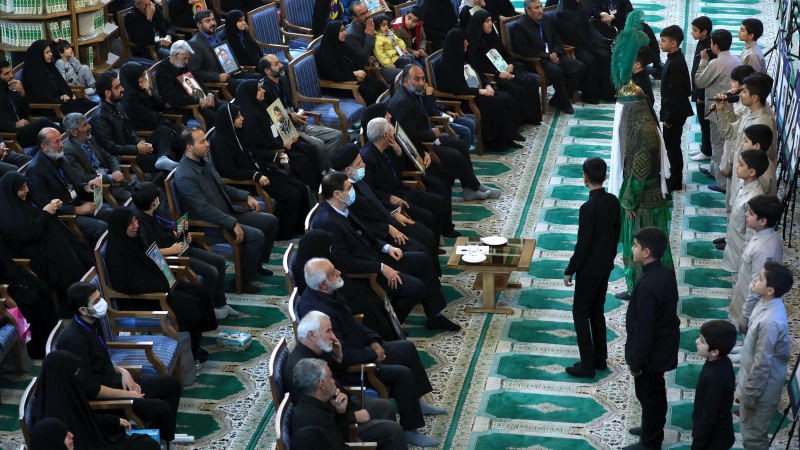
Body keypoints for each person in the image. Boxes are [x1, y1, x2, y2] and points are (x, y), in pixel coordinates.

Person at [300, 259, 445, 447]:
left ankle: (416, 403)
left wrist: (374, 341)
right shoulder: (319, 312)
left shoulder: (331, 293)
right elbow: (342, 356)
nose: (339, 272)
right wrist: (372, 354)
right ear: (322, 284)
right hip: (353, 368)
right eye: (333, 272)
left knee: (406, 348)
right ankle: (410, 428)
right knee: (403, 374)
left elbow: (355, 325)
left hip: (363, 348)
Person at [312, 171, 460, 331]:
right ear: (337, 194)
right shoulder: (329, 222)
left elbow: (365, 233)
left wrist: (387, 247)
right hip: (366, 271)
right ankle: (388, 328)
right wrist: (382, 268)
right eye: (349, 188)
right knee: (415, 288)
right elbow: (345, 262)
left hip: (374, 255)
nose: (353, 190)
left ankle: (435, 316)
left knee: (422, 259)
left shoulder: (343, 208)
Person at [58, 282, 182, 444]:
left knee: (172, 385)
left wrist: (123, 372)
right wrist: (128, 395)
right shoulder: (76, 341)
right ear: (83, 310)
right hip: (106, 401)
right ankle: (156, 442)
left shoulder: (92, 323)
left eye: (100, 297)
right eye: (96, 301)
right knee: (162, 409)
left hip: (113, 382)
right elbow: (90, 388)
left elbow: (100, 358)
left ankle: (163, 439)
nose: (102, 303)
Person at [608, 13, 673, 300]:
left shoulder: (643, 130)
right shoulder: (638, 121)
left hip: (644, 201)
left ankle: (644, 290)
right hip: (641, 196)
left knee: (644, 248)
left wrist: (628, 200)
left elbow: (640, 168)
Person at [174, 126, 279, 294]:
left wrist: (246, 196)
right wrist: (232, 223)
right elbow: (203, 209)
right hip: (211, 226)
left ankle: (255, 264)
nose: (207, 144)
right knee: (256, 236)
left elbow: (224, 187)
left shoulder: (204, 162)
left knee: (270, 221)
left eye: (206, 140)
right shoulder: (184, 175)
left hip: (228, 213)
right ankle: (241, 282)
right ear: (189, 147)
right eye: (202, 142)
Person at [105, 207, 217, 361]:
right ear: (121, 226)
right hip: (143, 298)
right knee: (187, 303)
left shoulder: (135, 238)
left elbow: (150, 259)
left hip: (158, 283)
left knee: (199, 292)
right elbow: (127, 285)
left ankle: (197, 339)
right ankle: (191, 351)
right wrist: (160, 285)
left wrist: (164, 279)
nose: (136, 225)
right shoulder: (117, 252)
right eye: (131, 223)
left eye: (135, 220)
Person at [285, 312, 408, 450]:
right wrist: (350, 416)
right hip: (338, 423)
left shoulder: (318, 350)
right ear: (312, 335)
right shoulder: (298, 368)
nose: (333, 336)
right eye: (328, 331)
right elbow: (316, 407)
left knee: (385, 407)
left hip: (340, 406)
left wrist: (338, 357)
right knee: (393, 430)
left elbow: (335, 379)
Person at [131, 181, 240, 319]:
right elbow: (146, 252)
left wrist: (181, 234)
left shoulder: (153, 212)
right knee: (211, 272)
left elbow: (165, 229)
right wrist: (171, 250)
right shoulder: (139, 223)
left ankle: (221, 303)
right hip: (171, 258)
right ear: (154, 201)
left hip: (180, 248)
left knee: (219, 261)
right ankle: (209, 308)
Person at [390, 64, 499, 202]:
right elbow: (411, 136)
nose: (421, 83)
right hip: (419, 147)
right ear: (406, 80)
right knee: (454, 155)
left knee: (460, 145)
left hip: (427, 135)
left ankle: (471, 188)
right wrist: (432, 134)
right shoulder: (402, 102)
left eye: (423, 79)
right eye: (417, 79)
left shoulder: (412, 93)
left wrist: (432, 129)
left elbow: (424, 116)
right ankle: (475, 187)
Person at [330, 144, 440, 272]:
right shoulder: (347, 195)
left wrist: (394, 212)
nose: (364, 165)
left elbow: (376, 200)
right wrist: (388, 228)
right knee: (420, 248)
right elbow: (360, 224)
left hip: (386, 221)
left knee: (423, 231)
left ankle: (434, 274)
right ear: (348, 170)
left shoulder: (357, 180)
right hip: (379, 234)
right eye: (359, 163)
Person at [211, 102, 309, 240]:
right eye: (238, 116)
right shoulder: (220, 142)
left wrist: (274, 156)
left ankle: (301, 227)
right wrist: (255, 175)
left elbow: (254, 153)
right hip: (248, 181)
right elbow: (229, 171)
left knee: (301, 187)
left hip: (261, 171)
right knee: (292, 195)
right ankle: (284, 235)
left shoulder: (239, 132)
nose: (242, 118)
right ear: (229, 120)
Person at [29, 351, 161, 450]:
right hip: (91, 445)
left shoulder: (65, 394)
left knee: (145, 442)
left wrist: (114, 421)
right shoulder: (50, 413)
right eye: (74, 373)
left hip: (94, 438)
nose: (78, 377)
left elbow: (84, 417)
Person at [563, 157, 620, 378]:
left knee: (580, 313)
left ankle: (587, 365)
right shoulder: (613, 201)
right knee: (597, 311)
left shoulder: (588, 208)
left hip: (589, 270)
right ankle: (600, 358)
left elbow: (583, 244)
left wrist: (570, 269)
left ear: (585, 178)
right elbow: (616, 233)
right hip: (605, 266)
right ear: (605, 176)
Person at [623, 227, 679, 450]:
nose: (632, 249)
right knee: (654, 392)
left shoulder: (648, 286)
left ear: (646, 252)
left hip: (652, 352)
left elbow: (644, 328)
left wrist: (636, 362)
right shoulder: (664, 272)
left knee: (649, 396)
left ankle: (651, 441)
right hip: (663, 344)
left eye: (635, 245)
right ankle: (651, 428)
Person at [292, 229, 403, 341]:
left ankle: (391, 335)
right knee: (369, 306)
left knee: (373, 299)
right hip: (334, 299)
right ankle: (384, 338)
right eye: (329, 248)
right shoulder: (309, 272)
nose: (330, 251)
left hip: (338, 292)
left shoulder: (319, 257)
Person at [0, 172, 93, 301]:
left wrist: (54, 205)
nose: (27, 190)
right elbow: (28, 234)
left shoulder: (25, 200)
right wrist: (45, 212)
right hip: (35, 253)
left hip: (52, 240)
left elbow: (38, 214)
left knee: (79, 251)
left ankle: (90, 289)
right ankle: (78, 299)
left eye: (26, 186)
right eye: (21, 188)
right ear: (11, 192)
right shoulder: (6, 215)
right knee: (68, 262)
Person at [360, 112, 450, 242]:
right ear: (385, 135)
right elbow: (368, 190)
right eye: (390, 128)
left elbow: (398, 172)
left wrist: (398, 151)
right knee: (428, 217)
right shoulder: (367, 158)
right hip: (390, 201)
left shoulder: (388, 146)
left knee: (439, 201)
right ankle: (432, 245)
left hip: (401, 192)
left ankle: (436, 239)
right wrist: (389, 197)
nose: (393, 130)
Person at [436, 28, 520, 151]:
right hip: (464, 100)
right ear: (456, 43)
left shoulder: (463, 57)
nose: (467, 43)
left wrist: (487, 85)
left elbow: (479, 73)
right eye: (464, 40)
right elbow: (456, 89)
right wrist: (481, 91)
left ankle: (509, 137)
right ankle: (496, 143)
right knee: (496, 103)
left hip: (476, 92)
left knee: (506, 97)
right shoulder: (445, 66)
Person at [738, 261, 792, 449]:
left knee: (754, 437)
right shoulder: (765, 303)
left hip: (762, 391)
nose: (755, 279)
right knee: (749, 429)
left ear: (770, 290)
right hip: (753, 382)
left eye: (760, 278)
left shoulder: (770, 322)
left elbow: (762, 364)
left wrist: (750, 395)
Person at [259, 54, 343, 173]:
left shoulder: (283, 79)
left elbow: (291, 103)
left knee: (337, 135)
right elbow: (271, 118)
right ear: (267, 71)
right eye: (276, 64)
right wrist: (290, 117)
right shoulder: (264, 90)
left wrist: (299, 111)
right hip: (286, 130)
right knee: (319, 145)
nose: (281, 65)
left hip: (298, 122)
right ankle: (325, 173)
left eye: (279, 62)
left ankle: (326, 166)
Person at [25, 127, 111, 244]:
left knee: (112, 215)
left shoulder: (60, 157)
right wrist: (77, 210)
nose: (62, 144)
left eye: (61, 140)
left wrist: (85, 186)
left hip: (78, 203)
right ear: (44, 147)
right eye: (57, 142)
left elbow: (72, 183)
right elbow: (45, 206)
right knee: (101, 227)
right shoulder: (35, 170)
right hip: (64, 217)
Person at [236, 80, 321, 197]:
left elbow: (273, 126)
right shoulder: (250, 118)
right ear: (251, 94)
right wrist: (281, 144)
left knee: (310, 148)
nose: (263, 90)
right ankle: (312, 193)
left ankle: (319, 187)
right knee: (303, 161)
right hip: (275, 152)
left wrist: (288, 134)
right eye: (259, 89)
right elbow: (260, 144)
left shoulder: (260, 106)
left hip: (280, 141)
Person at [91, 71, 179, 174]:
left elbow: (130, 130)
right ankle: (163, 160)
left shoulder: (118, 105)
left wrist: (139, 142)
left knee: (164, 131)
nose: (122, 89)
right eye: (117, 87)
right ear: (107, 93)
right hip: (126, 157)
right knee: (160, 161)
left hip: (135, 147)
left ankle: (163, 158)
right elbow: (111, 148)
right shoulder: (100, 118)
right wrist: (136, 149)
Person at [466, 9, 542, 125]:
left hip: (506, 69)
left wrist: (511, 64)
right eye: (486, 21)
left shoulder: (492, 36)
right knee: (515, 88)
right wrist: (498, 73)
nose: (490, 24)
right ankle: (518, 121)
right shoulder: (473, 42)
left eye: (491, 20)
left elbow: (506, 53)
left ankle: (531, 117)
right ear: (479, 24)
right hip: (493, 75)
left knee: (530, 81)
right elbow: (477, 66)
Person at [510, 0, 585, 114]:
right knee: (557, 71)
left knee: (579, 66)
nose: (541, 10)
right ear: (528, 10)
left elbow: (556, 39)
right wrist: (547, 56)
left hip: (552, 55)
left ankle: (557, 99)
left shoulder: (544, 19)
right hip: (536, 61)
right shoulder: (519, 26)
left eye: (541, 6)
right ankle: (565, 103)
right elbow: (524, 51)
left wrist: (554, 52)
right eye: (536, 8)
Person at [693, 29, 742, 193]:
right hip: (731, 108)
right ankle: (714, 170)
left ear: (715, 46)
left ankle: (721, 183)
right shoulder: (736, 59)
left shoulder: (715, 63)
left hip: (719, 109)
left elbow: (700, 81)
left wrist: (703, 61)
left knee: (718, 144)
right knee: (720, 143)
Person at [729, 195, 783, 339]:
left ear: (762, 221)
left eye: (751, 213)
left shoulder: (763, 250)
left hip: (754, 306)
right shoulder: (763, 235)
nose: (746, 214)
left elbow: (757, 287)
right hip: (745, 294)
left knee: (752, 337)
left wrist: (745, 316)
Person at [0, 239, 56, 359]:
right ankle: (39, 351)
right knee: (31, 301)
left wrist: (17, 279)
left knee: (43, 288)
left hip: (9, 273)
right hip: (3, 287)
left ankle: (53, 338)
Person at [61, 112, 134, 206]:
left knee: (143, 189)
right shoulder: (68, 151)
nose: (89, 126)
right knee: (136, 199)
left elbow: (110, 158)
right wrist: (110, 178)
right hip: (99, 189)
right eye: (85, 125)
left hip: (114, 181)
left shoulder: (90, 139)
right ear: (74, 132)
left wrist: (116, 172)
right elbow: (82, 177)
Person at [551, 0, 615, 103]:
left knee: (604, 54)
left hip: (586, 41)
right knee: (590, 60)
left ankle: (604, 91)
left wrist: (596, 41)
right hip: (573, 45)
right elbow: (566, 36)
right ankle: (588, 93)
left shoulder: (577, 7)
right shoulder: (561, 14)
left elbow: (587, 28)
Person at [721, 149, 768, 282]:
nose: (736, 166)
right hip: (734, 243)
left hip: (742, 250)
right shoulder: (744, 185)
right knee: (736, 279)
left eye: (741, 164)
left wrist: (746, 257)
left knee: (741, 282)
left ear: (751, 172)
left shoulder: (754, 198)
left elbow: (751, 234)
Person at [316, 20, 387, 106]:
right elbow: (334, 75)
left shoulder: (342, 45)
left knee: (380, 85)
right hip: (341, 87)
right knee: (370, 93)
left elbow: (356, 60)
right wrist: (354, 74)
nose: (345, 33)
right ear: (333, 33)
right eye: (341, 31)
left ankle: (386, 112)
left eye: (344, 30)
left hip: (354, 79)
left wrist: (359, 72)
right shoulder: (325, 53)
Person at [155, 40, 223, 129]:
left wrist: (209, 93)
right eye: (185, 58)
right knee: (216, 118)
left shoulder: (180, 64)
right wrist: (197, 101)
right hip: (185, 108)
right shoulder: (163, 72)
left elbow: (197, 81)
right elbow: (174, 99)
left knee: (225, 108)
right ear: (176, 55)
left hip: (196, 100)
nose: (187, 61)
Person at [658, 25, 694, 191]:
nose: (660, 43)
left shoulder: (676, 63)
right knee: (671, 145)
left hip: (675, 113)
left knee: (673, 146)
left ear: (673, 43)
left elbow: (676, 94)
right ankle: (673, 175)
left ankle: (676, 180)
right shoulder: (674, 58)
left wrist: (669, 118)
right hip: (674, 111)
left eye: (663, 40)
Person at [691, 319, 736, 450]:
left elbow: (709, 415)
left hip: (713, 438)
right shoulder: (723, 361)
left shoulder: (714, 378)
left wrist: (697, 443)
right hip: (718, 430)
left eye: (702, 341)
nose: (697, 341)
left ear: (715, 352)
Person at [22, 40, 97, 117]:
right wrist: (60, 99)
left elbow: (61, 84)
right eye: (47, 52)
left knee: (91, 104)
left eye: (50, 51)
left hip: (62, 102)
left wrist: (65, 94)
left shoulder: (48, 66)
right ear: (39, 55)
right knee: (84, 112)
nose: (51, 54)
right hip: (52, 108)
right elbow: (43, 99)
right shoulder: (33, 74)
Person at [0, 60, 60, 150]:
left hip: (24, 128)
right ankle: (69, 136)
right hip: (11, 135)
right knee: (43, 122)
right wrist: (14, 125)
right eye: (6, 74)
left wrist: (22, 93)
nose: (11, 75)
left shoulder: (9, 89)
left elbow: (26, 113)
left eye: (10, 72)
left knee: (56, 122)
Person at [118, 61, 184, 135]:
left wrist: (150, 93)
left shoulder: (143, 88)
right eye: (142, 76)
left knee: (190, 133)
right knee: (188, 136)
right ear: (132, 78)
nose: (145, 79)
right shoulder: (129, 98)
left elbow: (162, 105)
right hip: (151, 130)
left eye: (145, 75)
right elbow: (149, 117)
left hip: (160, 124)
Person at [346, 2, 401, 83]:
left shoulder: (370, 22)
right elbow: (363, 57)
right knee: (403, 73)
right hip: (373, 68)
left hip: (386, 57)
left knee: (408, 60)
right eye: (362, 14)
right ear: (354, 18)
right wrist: (369, 36)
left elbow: (387, 36)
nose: (367, 15)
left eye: (367, 11)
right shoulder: (351, 35)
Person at [688, 16, 715, 163]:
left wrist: (701, 94)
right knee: (702, 121)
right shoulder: (701, 43)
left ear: (704, 32)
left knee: (705, 122)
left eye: (695, 30)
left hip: (703, 93)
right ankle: (704, 146)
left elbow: (707, 75)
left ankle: (707, 151)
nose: (692, 33)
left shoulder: (709, 49)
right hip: (698, 88)